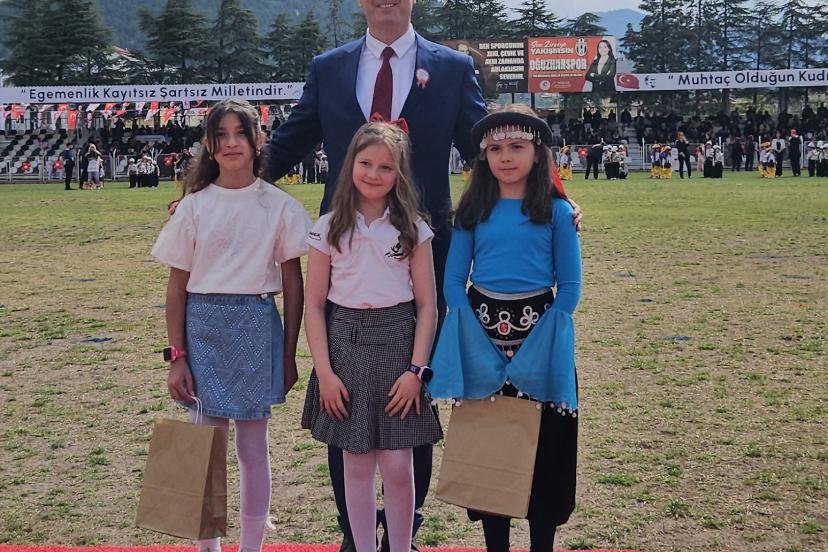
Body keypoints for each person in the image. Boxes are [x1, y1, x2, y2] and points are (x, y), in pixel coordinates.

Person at [264, 2, 582, 549]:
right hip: (346, 258)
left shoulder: (453, 69)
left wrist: (557, 196)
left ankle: (404, 531)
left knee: (416, 393)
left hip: (426, 249)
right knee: (348, 402)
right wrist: (208, 188)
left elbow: (489, 147)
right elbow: (286, 145)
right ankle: (355, 534)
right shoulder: (328, 67)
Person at [150, 99, 312, 552]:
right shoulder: (194, 207)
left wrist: (288, 355)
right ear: (208, 144)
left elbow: (293, 287)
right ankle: (209, 548)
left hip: (257, 326)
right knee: (206, 446)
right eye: (220, 135)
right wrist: (177, 357)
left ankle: (251, 547)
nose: (231, 143)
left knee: (253, 449)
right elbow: (176, 289)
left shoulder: (279, 206)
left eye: (240, 133)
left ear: (258, 140)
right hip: (202, 329)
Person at [429, 104, 582, 552]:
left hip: (542, 334)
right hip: (484, 335)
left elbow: (570, 288)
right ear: (483, 156)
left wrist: (537, 346)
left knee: (545, 448)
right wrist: (477, 342)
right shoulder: (472, 211)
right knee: (489, 447)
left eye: (517, 146)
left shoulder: (557, 212)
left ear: (538, 153)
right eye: (495, 149)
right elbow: (454, 283)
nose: (506, 157)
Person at [301, 119, 442, 552]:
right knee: (356, 463)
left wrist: (416, 371)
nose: (374, 174)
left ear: (399, 174)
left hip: (399, 345)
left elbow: (427, 305)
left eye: (386, 167)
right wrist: (325, 374)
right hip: (344, 346)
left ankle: (400, 545)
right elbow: (314, 306)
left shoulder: (413, 227)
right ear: (351, 165)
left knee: (398, 466)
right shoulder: (328, 228)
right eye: (366, 163)